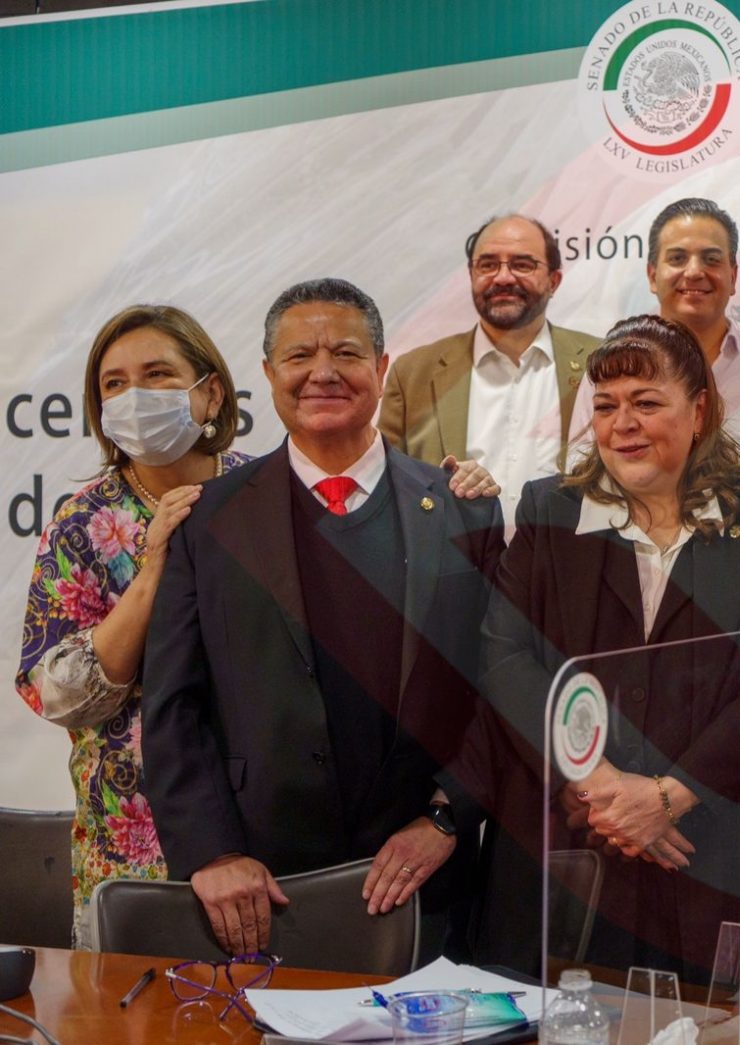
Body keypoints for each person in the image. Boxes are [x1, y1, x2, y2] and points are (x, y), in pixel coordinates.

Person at [142, 278, 504, 958]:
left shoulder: (462, 508)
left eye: (346, 352)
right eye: (299, 356)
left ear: (382, 368)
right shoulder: (207, 518)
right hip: (260, 888)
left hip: (429, 882)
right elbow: (172, 704)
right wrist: (213, 851)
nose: (323, 372)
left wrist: (447, 815)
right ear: (268, 374)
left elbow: (501, 689)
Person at [467, 314, 740, 983]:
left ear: (699, 410)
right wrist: (597, 783)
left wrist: (672, 794)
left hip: (717, 850)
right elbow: (505, 656)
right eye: (606, 406)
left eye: (646, 403)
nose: (623, 424)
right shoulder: (548, 510)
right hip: (577, 845)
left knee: (718, 1022)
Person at [16, 304, 246, 948]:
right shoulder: (82, 523)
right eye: (114, 384)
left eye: (157, 374)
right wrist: (152, 571)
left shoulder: (266, 492)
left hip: (262, 840)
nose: (135, 396)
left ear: (211, 393)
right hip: (133, 841)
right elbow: (56, 695)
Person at [568, 198, 740, 481]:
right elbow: (582, 482)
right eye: (677, 258)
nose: (694, 272)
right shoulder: (608, 375)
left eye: (711, 259)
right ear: (652, 275)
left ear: (733, 275)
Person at [380, 214, 599, 529]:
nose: (503, 277)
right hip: (452, 556)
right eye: (488, 265)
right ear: (471, 275)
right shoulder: (414, 373)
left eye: (522, 264)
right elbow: (387, 485)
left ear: (554, 281)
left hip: (568, 553)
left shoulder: (600, 362)